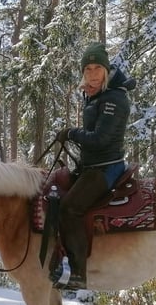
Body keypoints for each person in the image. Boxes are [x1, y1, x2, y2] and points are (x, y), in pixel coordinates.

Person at [52, 42, 133, 289]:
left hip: (106, 168)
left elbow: (100, 139)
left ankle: (77, 273)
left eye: (98, 67)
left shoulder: (114, 99)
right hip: (91, 166)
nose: (93, 73)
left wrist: (71, 133)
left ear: (106, 71)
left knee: (69, 208)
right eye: (87, 69)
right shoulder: (96, 96)